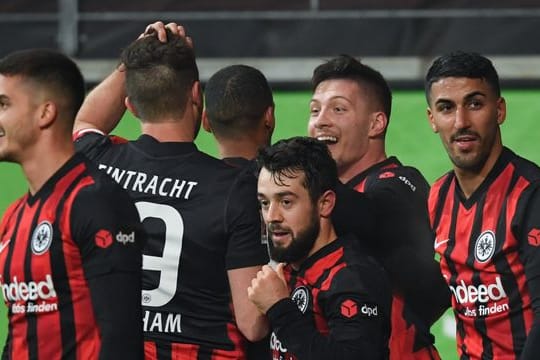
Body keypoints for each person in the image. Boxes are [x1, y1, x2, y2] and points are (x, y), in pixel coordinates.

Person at [73, 27, 270, 358]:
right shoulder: (236, 186)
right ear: (196, 95)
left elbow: (83, 122)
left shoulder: (98, 161)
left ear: (131, 106)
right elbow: (252, 324)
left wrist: (131, 62)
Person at [0, 49, 144, 359]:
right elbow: (19, 334)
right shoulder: (12, 218)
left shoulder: (97, 203)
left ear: (45, 113)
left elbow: (122, 338)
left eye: (3, 104)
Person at [308, 54, 450, 359]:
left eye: (338, 108)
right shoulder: (328, 194)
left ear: (376, 123)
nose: (321, 120)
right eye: (315, 110)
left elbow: (372, 218)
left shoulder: (399, 184)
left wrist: (296, 174)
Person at [425, 51, 540, 359]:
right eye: (446, 108)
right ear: (432, 119)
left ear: (499, 110)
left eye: (475, 104)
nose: (461, 122)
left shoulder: (530, 194)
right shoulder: (437, 196)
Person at [249, 136, 391, 359]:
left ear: (325, 203)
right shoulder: (286, 270)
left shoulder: (352, 277)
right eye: (265, 203)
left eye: (286, 202)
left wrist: (279, 310)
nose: (271, 217)